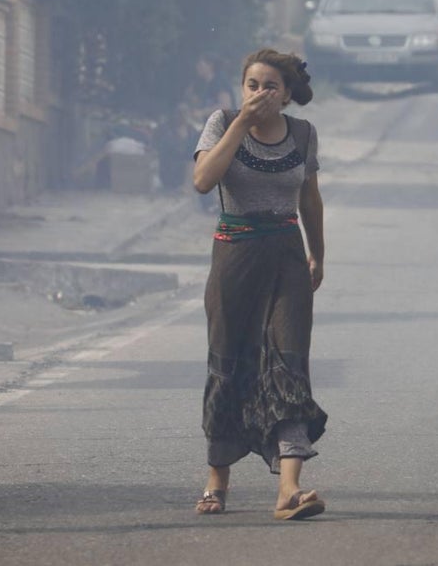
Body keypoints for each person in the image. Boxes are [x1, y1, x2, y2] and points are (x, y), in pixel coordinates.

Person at [191, 48, 328, 521]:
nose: (260, 93)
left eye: (271, 86)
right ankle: (217, 480)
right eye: (252, 85)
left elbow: (310, 198)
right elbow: (203, 180)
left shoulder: (303, 134)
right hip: (235, 254)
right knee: (228, 361)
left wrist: (318, 252)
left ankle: (289, 489)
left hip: (286, 256)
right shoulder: (221, 122)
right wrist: (240, 125)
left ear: (286, 94)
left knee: (290, 364)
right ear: (242, 88)